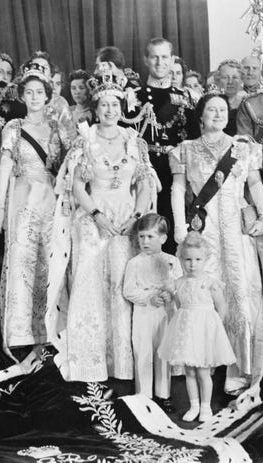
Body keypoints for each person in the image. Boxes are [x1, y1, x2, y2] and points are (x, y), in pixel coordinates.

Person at [47, 64, 160, 382]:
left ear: (122, 106)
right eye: (104, 104)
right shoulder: (85, 140)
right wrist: (96, 216)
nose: (110, 110)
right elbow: (76, 187)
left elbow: (145, 185)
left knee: (123, 286)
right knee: (90, 282)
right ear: (95, 108)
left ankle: (123, 363)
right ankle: (90, 361)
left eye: (114, 104)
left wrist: (136, 218)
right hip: (93, 219)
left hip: (126, 220)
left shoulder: (134, 140)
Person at [170, 92, 263, 394]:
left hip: (236, 232)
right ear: (200, 116)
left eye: (223, 110)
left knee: (239, 294)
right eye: (211, 110)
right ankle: (202, 362)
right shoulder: (184, 150)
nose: (218, 114)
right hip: (203, 232)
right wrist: (179, 225)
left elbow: (254, 183)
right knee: (202, 297)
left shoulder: (244, 148)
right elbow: (177, 189)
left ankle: (239, 368)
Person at [0, 63, 71, 361]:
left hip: (50, 198)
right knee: (22, 259)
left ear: (48, 96)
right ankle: (20, 333)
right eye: (30, 92)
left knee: (48, 261)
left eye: (40, 92)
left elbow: (68, 166)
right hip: (23, 196)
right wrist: (0, 208)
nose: (35, 97)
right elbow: (5, 167)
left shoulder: (57, 130)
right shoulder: (13, 127)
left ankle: (48, 329)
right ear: (22, 96)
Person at [121, 37, 198, 253]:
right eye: (154, 57)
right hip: (145, 172)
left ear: (172, 59)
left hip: (176, 174)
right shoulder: (132, 98)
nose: (159, 62)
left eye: (164, 57)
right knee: (143, 231)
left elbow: (194, 140)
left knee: (174, 232)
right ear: (146, 60)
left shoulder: (186, 98)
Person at [158, 231, 236, 422]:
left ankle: (205, 407)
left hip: (204, 331)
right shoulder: (179, 282)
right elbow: (175, 301)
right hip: (185, 330)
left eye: (198, 259)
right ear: (181, 259)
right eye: (188, 260)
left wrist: (216, 330)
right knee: (189, 371)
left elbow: (222, 307)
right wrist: (167, 295)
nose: (192, 264)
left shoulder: (210, 282)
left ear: (206, 259)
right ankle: (193, 405)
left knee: (202, 371)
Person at [123, 213, 182, 411]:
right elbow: (128, 290)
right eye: (141, 237)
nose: (145, 241)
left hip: (165, 313)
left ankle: (163, 394)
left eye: (150, 237)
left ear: (163, 238)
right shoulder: (135, 263)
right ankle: (144, 395)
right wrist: (148, 298)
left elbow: (180, 285)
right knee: (143, 352)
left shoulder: (172, 261)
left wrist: (169, 293)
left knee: (162, 352)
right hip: (144, 313)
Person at [215, 59, 245, 135]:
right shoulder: (210, 103)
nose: (230, 82)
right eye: (225, 77)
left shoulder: (247, 103)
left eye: (235, 77)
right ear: (218, 80)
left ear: (241, 80)